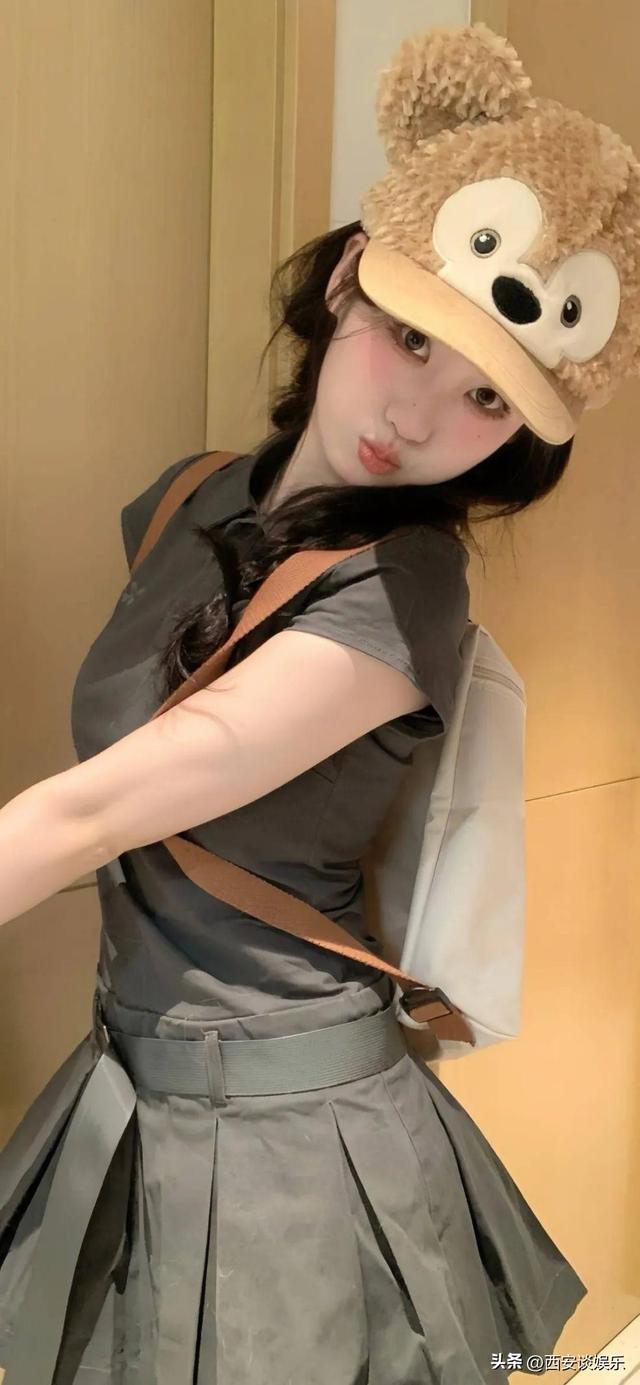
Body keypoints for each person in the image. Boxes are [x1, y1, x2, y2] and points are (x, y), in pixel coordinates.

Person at [1, 19, 638, 1384]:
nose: (415, 417)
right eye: (409, 336)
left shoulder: (403, 593)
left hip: (291, 1148)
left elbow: (85, 815)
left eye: (486, 398)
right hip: (128, 1089)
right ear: (350, 275)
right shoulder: (190, 497)